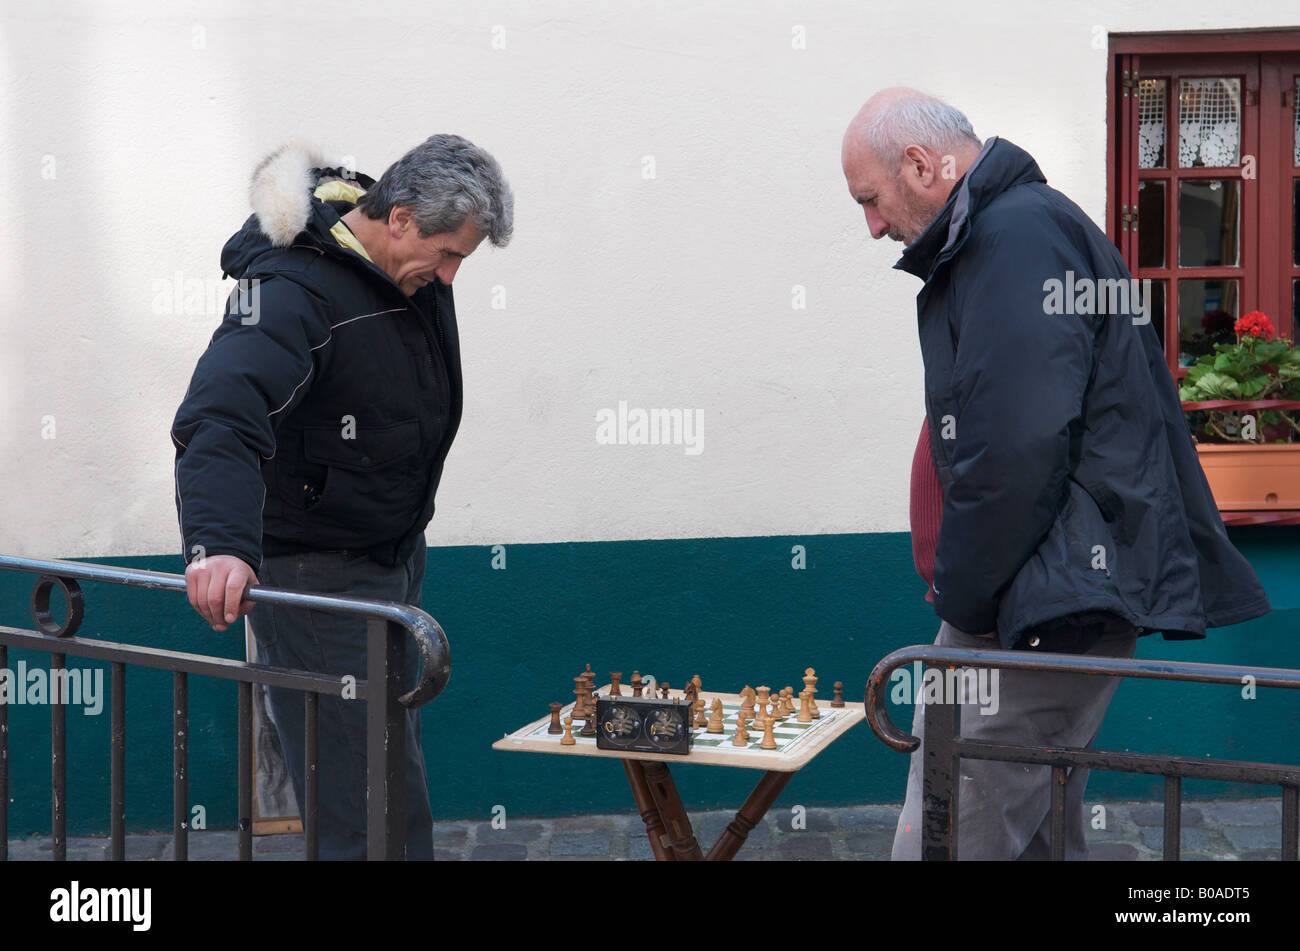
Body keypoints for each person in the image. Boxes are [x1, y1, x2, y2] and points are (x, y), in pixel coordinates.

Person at [840, 88, 1270, 860]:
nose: (872, 225)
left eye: (870, 199)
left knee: (949, 827)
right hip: (1036, 596)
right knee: (1036, 828)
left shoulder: (1016, 236)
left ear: (917, 164)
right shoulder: (1007, 232)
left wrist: (964, 598)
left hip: (1034, 605)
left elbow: (1017, 450)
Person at [171, 135, 513, 859]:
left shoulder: (400, 272)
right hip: (319, 571)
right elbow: (221, 415)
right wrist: (221, 542)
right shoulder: (293, 291)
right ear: (399, 219)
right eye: (448, 253)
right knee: (362, 795)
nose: (451, 276)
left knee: (384, 772)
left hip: (388, 554)